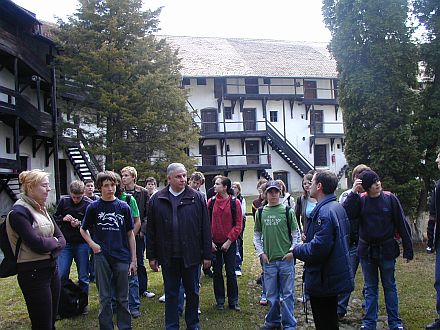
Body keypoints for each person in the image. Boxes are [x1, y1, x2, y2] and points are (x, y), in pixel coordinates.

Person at [343, 169, 413, 330]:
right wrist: (353, 192)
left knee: (389, 286)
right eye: (374, 183)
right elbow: (346, 212)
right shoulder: (360, 200)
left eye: (378, 180)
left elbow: (402, 224)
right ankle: (369, 322)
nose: (378, 184)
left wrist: (408, 249)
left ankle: (395, 322)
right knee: (370, 288)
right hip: (367, 252)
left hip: (387, 250)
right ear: (366, 187)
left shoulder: (390, 199)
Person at [147, 163, 212, 330]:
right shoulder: (156, 199)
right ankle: (171, 325)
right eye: (179, 176)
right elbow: (151, 230)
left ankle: (193, 324)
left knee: (192, 292)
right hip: (168, 256)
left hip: (191, 255)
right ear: (169, 179)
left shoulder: (197, 197)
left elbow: (205, 227)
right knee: (171, 293)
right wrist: (152, 256)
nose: (183, 179)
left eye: (184, 176)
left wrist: (207, 255)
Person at [292, 170, 354, 330]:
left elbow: (318, 249)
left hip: (324, 277)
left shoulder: (325, 212)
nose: (309, 186)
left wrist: (297, 249)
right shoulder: (336, 207)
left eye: (311, 183)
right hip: (330, 275)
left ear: (319, 186)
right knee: (329, 320)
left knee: (324, 322)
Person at [6, 169, 66, 329]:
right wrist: (54, 242)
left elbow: (62, 239)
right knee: (42, 324)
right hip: (33, 274)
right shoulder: (18, 213)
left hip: (51, 269)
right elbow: (37, 244)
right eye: (44, 186)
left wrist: (51, 242)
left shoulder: (42, 209)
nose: (49, 189)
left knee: (51, 320)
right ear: (30, 187)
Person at [80, 171, 137, 330]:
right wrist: (93, 244)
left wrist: (134, 260)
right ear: (100, 187)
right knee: (105, 297)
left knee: (122, 297)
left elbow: (130, 234)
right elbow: (83, 230)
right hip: (101, 256)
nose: (110, 188)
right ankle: (106, 327)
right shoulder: (93, 207)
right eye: (106, 186)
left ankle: (125, 326)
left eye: (113, 185)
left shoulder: (123, 206)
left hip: (121, 256)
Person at [253, 180, 299, 330]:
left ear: (280, 193)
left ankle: (289, 324)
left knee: (287, 295)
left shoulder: (287, 211)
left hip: (286, 259)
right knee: (272, 295)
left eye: (276, 192)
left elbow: (295, 233)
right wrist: (261, 253)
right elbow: (256, 235)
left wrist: (292, 250)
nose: (273, 195)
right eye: (270, 192)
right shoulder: (260, 212)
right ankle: (273, 321)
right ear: (265, 194)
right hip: (269, 261)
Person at [337, 164, 370, 319]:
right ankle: (340, 308)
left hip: (369, 242)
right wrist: (354, 193)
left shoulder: (372, 194)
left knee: (369, 278)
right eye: (359, 176)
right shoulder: (346, 195)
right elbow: (343, 214)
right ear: (354, 178)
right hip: (353, 242)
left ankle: (368, 306)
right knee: (348, 276)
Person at [54, 180, 92, 313]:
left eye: (79, 197)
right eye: (74, 197)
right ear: (70, 194)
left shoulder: (88, 205)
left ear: (83, 194)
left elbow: (92, 225)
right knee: (62, 274)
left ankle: (83, 304)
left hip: (82, 243)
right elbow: (55, 218)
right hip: (67, 244)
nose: (76, 200)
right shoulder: (64, 202)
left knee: (83, 276)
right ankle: (62, 302)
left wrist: (80, 224)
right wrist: (63, 218)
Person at [208, 176, 243, 311]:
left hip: (230, 243)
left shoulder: (235, 203)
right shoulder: (210, 202)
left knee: (230, 272)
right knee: (217, 272)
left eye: (217, 184)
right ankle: (220, 300)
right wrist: (210, 241)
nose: (214, 187)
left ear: (225, 187)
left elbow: (238, 225)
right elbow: (206, 223)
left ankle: (233, 301)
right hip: (214, 243)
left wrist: (229, 241)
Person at [121, 166, 155, 299]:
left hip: (139, 233)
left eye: (126, 175)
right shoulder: (120, 192)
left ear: (133, 177)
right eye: (122, 175)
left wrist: (141, 230)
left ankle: (143, 288)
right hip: (122, 233)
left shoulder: (143, 192)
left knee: (139, 261)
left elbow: (148, 214)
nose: (124, 178)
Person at [115, 172, 142, 318]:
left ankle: (134, 305)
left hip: (128, 242)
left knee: (132, 274)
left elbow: (137, 220)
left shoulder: (129, 199)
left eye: (115, 184)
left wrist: (130, 235)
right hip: (112, 245)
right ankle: (115, 304)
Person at [427, 152, 440, 330]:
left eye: (439, 157)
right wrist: (431, 240)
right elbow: (433, 215)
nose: (436, 160)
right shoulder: (438, 186)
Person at [294, 173, 317, 242]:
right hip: (307, 234)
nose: (307, 185)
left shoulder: (320, 197)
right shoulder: (301, 200)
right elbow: (295, 218)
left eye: (309, 183)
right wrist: (301, 232)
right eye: (305, 184)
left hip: (319, 233)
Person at [232, 181, 246, 276]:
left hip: (239, 223)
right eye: (232, 187)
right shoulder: (229, 198)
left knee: (239, 242)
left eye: (235, 187)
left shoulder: (241, 199)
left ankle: (238, 264)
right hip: (230, 224)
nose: (233, 188)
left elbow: (243, 212)